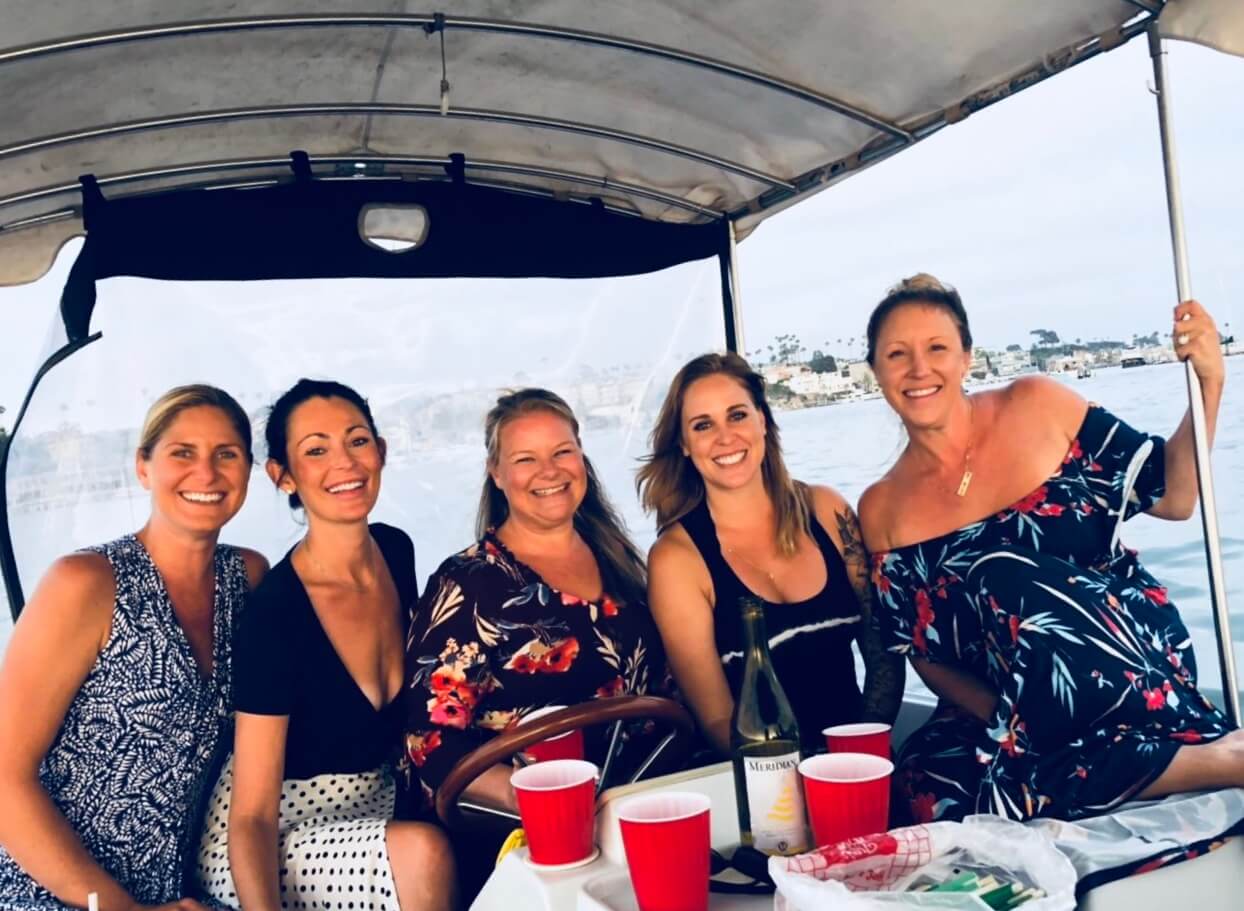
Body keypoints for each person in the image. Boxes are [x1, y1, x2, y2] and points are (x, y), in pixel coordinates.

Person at [858, 273, 1241, 823]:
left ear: (967, 358)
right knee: (928, 788)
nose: (920, 369)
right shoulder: (881, 507)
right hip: (1002, 701)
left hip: (1121, 659)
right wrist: (1007, 716)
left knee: (1004, 573)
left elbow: (1175, 497)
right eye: (897, 354)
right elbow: (926, 655)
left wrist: (1209, 381)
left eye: (937, 348)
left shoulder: (1037, 405)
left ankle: (1207, 763)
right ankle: (1187, 762)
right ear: (877, 373)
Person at [0, 385, 266, 911]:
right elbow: (5, 779)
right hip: (50, 890)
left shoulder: (247, 578)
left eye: (226, 454)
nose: (206, 473)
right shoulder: (85, 583)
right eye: (182, 453)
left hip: (176, 892)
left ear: (249, 472)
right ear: (144, 468)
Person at [195, 380, 454, 911]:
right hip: (267, 830)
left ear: (380, 451)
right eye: (316, 450)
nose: (345, 463)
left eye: (357, 441)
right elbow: (252, 815)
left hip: (373, 802)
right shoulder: (277, 614)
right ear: (282, 475)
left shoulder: (394, 549)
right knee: (423, 854)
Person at [404, 388, 670, 812]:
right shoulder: (466, 585)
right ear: (496, 473)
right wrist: (538, 798)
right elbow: (429, 743)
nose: (549, 472)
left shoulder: (617, 557)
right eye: (525, 459)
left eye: (562, 452)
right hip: (529, 827)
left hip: (645, 798)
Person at [638, 353, 904, 756]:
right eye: (703, 425)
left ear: (763, 420)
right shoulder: (677, 561)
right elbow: (715, 719)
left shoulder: (827, 511)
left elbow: (883, 653)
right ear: (685, 445)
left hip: (860, 763)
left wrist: (858, 757)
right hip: (764, 783)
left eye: (738, 415)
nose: (725, 437)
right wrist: (793, 791)